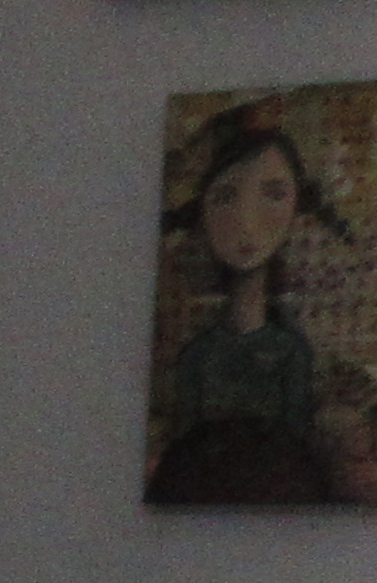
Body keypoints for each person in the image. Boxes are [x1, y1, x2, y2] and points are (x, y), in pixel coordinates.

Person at [147, 112, 347, 503]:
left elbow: (297, 450)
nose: (246, 221)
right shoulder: (198, 356)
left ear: (297, 205)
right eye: (225, 197)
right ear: (201, 210)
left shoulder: (291, 352)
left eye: (273, 194)